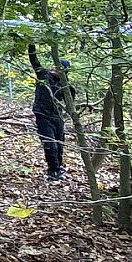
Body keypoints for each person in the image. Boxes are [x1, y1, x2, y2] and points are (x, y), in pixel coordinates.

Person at [28, 44, 75, 180]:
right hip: (42, 114)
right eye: (54, 66)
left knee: (59, 144)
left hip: (58, 117)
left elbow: (70, 105)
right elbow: (34, 60)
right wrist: (31, 45)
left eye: (58, 67)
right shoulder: (43, 76)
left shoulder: (66, 86)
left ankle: (58, 168)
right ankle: (52, 170)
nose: (54, 68)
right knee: (50, 143)